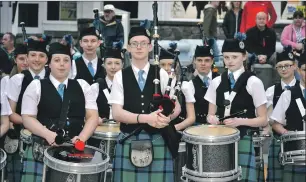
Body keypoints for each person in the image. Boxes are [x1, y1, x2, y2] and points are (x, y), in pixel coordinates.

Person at [109, 26, 181, 182]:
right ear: (128, 47)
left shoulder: (161, 73)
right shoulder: (120, 76)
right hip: (128, 137)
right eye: (134, 43)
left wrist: (167, 118)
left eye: (143, 43)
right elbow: (116, 113)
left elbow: (176, 107)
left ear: (150, 47)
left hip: (158, 138)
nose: (139, 47)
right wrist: (145, 118)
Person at [20, 42, 99, 182]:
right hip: (43, 150)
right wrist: (48, 134)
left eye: (66, 60)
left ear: (70, 64)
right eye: (57, 60)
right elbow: (27, 117)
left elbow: (92, 116)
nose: (62, 64)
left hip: (75, 151)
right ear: (49, 64)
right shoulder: (36, 86)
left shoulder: (83, 86)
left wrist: (82, 138)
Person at [204, 34, 268, 182]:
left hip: (244, 138)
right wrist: (212, 119)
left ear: (244, 57)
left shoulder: (254, 82)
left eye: (234, 57)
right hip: (219, 140)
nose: (230, 61)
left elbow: (263, 119)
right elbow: (209, 114)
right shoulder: (216, 82)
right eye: (226, 57)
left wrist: (240, 121)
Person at [5, 38, 49, 182]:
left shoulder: (54, 77)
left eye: (41, 56)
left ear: (47, 59)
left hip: (50, 137)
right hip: (24, 137)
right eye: (33, 55)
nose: (37, 59)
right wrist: (33, 125)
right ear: (27, 57)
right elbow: (11, 113)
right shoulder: (17, 79)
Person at [270, 52, 306, 182]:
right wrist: (287, 134)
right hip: (295, 155)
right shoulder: (288, 94)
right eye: (305, 69)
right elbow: (275, 122)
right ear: (299, 69)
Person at [265, 47, 298, 182]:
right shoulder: (271, 91)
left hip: (300, 140)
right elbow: (269, 118)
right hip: (279, 139)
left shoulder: (303, 89)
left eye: (287, 66)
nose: (284, 69)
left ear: (295, 66)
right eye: (280, 67)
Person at [87, 43, 124, 148]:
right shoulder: (96, 87)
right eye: (109, 63)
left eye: (117, 63)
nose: (113, 67)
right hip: (99, 136)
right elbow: (86, 111)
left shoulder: (128, 86)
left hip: (121, 136)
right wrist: (93, 117)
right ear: (104, 65)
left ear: (122, 65)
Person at [158, 43, 196, 130]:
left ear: (176, 65)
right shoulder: (154, 83)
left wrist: (173, 129)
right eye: (163, 65)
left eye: (170, 64)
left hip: (178, 130)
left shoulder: (185, 84)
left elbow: (191, 118)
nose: (167, 68)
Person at [190, 45, 219, 125]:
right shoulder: (189, 83)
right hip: (197, 125)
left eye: (207, 60)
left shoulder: (221, 79)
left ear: (212, 61)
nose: (203, 64)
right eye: (199, 60)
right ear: (194, 61)